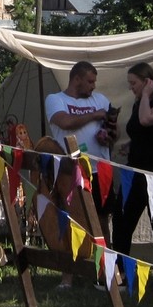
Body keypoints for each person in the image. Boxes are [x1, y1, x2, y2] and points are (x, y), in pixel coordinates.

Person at [42, 61, 113, 286]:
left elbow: (113, 129)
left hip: (100, 170)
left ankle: (105, 272)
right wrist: (95, 115)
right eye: (89, 81)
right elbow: (65, 122)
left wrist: (109, 135)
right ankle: (68, 275)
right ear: (77, 79)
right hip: (70, 172)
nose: (93, 86)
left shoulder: (101, 99)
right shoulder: (56, 99)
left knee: (102, 221)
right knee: (70, 220)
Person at [110, 62, 153, 268]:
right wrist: (132, 144)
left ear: (148, 81)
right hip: (136, 170)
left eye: (134, 83)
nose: (132, 88)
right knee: (122, 220)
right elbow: (142, 130)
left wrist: (147, 94)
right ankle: (120, 270)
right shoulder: (138, 103)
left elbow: (147, 121)